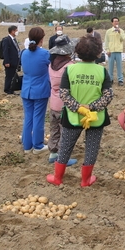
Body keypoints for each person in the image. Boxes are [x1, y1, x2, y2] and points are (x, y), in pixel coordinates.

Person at [47, 35, 113, 187]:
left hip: (73, 116)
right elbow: (108, 95)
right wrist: (92, 107)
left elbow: (64, 93)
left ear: (77, 51)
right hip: (95, 117)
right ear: (98, 53)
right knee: (92, 148)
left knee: (65, 146)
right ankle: (86, 180)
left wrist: (78, 107)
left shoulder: (70, 69)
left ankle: (57, 178)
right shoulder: (102, 72)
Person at [47, 36, 79, 165]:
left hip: (53, 102)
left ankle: (52, 154)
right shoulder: (69, 66)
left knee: (54, 130)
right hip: (64, 105)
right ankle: (62, 158)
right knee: (65, 132)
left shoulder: (52, 65)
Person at [21, 27, 51, 155]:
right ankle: (38, 145)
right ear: (41, 39)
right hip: (40, 90)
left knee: (28, 118)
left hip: (26, 89)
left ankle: (27, 146)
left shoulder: (24, 53)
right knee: (38, 118)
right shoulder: (45, 53)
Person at [104, 16, 125, 86]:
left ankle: (120, 80)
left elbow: (123, 39)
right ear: (112, 23)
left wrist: (119, 32)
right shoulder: (108, 31)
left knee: (119, 66)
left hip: (118, 50)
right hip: (111, 51)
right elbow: (106, 41)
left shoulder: (121, 31)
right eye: (114, 21)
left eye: (117, 21)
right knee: (110, 66)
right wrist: (107, 50)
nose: (116, 22)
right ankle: (110, 79)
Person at [2, 25, 21, 95]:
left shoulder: (14, 39)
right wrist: (7, 61)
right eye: (16, 30)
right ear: (12, 31)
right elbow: (5, 51)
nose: (17, 32)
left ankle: (11, 88)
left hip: (15, 61)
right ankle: (7, 89)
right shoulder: (7, 40)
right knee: (9, 76)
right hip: (9, 62)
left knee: (13, 75)